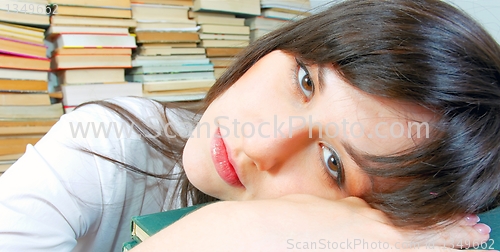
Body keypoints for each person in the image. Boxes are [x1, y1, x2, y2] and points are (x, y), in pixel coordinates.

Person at [0, 0, 499, 251]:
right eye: (305, 81)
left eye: (332, 163)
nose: (263, 142)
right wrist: (224, 231)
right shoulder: (110, 144)